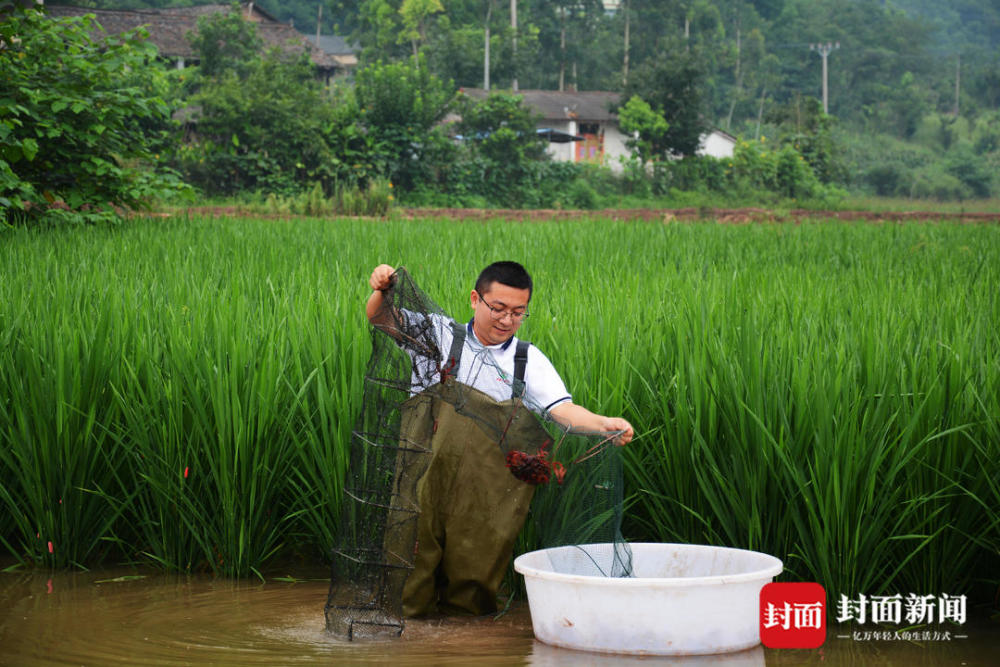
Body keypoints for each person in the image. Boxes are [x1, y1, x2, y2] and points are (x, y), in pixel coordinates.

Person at [365, 261, 633, 616]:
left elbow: (563, 410)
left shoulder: (528, 360)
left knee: (472, 591)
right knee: (408, 580)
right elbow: (380, 317)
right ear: (476, 299)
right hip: (422, 479)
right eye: (498, 308)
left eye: (518, 313)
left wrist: (603, 423)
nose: (507, 320)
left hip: (489, 495)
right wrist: (381, 286)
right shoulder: (438, 334)